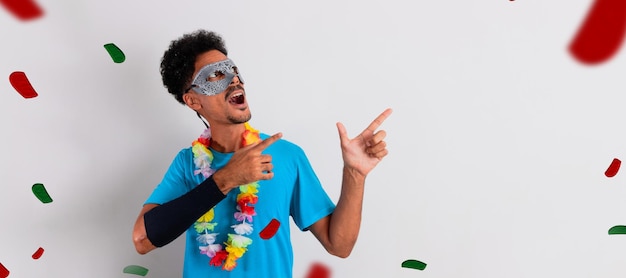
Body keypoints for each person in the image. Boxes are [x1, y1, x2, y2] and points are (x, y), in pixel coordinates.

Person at [131, 29, 392, 278]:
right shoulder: (187, 164)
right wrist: (225, 179)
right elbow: (142, 240)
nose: (233, 78)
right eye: (214, 76)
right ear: (193, 100)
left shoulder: (287, 156)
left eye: (232, 69)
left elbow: (339, 245)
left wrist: (355, 174)